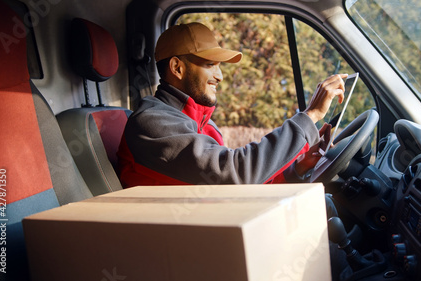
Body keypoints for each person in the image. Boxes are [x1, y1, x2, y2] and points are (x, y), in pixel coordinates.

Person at [117, 22, 347, 188]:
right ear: (177, 68)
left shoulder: (201, 123)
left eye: (219, 66)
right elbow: (233, 173)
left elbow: (237, 187)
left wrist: (299, 168)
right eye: (210, 65)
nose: (220, 76)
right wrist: (309, 117)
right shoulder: (151, 123)